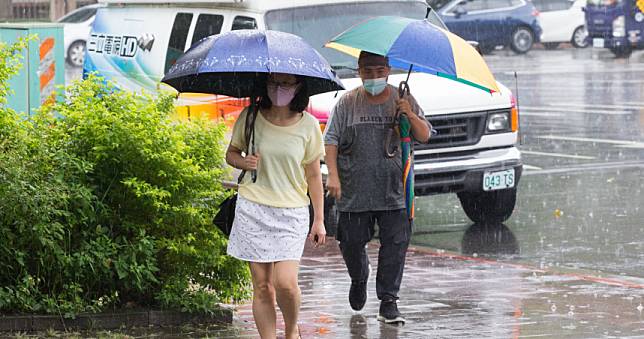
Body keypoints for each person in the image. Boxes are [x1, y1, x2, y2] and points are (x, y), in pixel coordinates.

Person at [324, 51, 431, 324]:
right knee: (350, 243)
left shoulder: (402, 98)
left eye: (379, 71)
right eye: (367, 71)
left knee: (395, 246)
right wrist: (333, 176)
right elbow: (332, 140)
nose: (374, 77)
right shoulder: (348, 102)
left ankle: (388, 300)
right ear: (359, 71)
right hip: (354, 191)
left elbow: (425, 134)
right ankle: (359, 277)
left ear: (388, 70)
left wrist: (408, 114)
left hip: (394, 190)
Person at [225, 73, 327, 339]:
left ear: (298, 87)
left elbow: (314, 175)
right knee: (262, 287)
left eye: (286, 84)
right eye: (273, 83)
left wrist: (319, 219)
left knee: (286, 284)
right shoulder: (250, 117)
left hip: (291, 212)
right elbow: (231, 153)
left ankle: (291, 330)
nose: (279, 89)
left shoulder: (309, 126)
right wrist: (242, 162)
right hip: (253, 208)